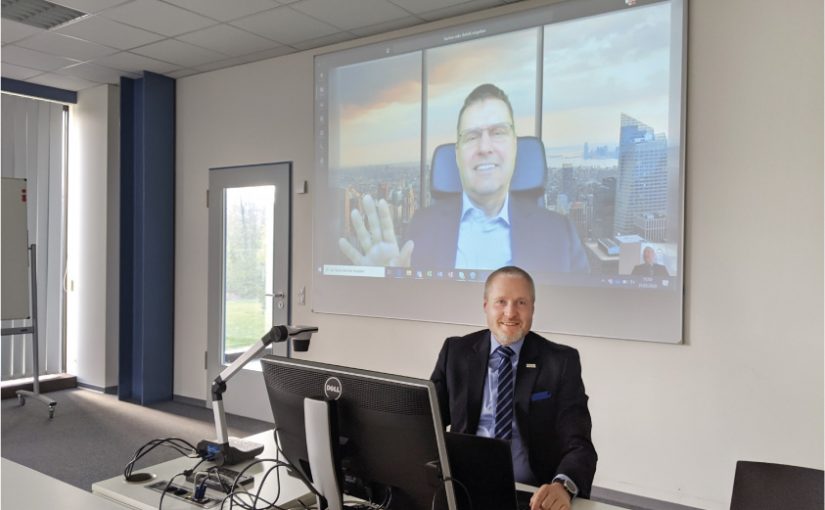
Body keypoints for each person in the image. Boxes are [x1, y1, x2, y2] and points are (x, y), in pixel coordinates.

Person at [338, 83, 589, 273]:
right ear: (457, 155)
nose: (484, 147)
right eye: (471, 137)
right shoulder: (422, 228)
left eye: (498, 132)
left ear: (515, 146)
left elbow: (581, 318)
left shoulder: (559, 234)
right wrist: (390, 281)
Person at [431, 266, 597, 510]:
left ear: (532, 308)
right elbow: (426, 420)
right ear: (486, 305)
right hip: (462, 487)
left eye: (521, 302)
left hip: (529, 494)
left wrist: (562, 486)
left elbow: (579, 444)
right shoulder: (456, 352)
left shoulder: (560, 362)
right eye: (501, 302)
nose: (511, 313)